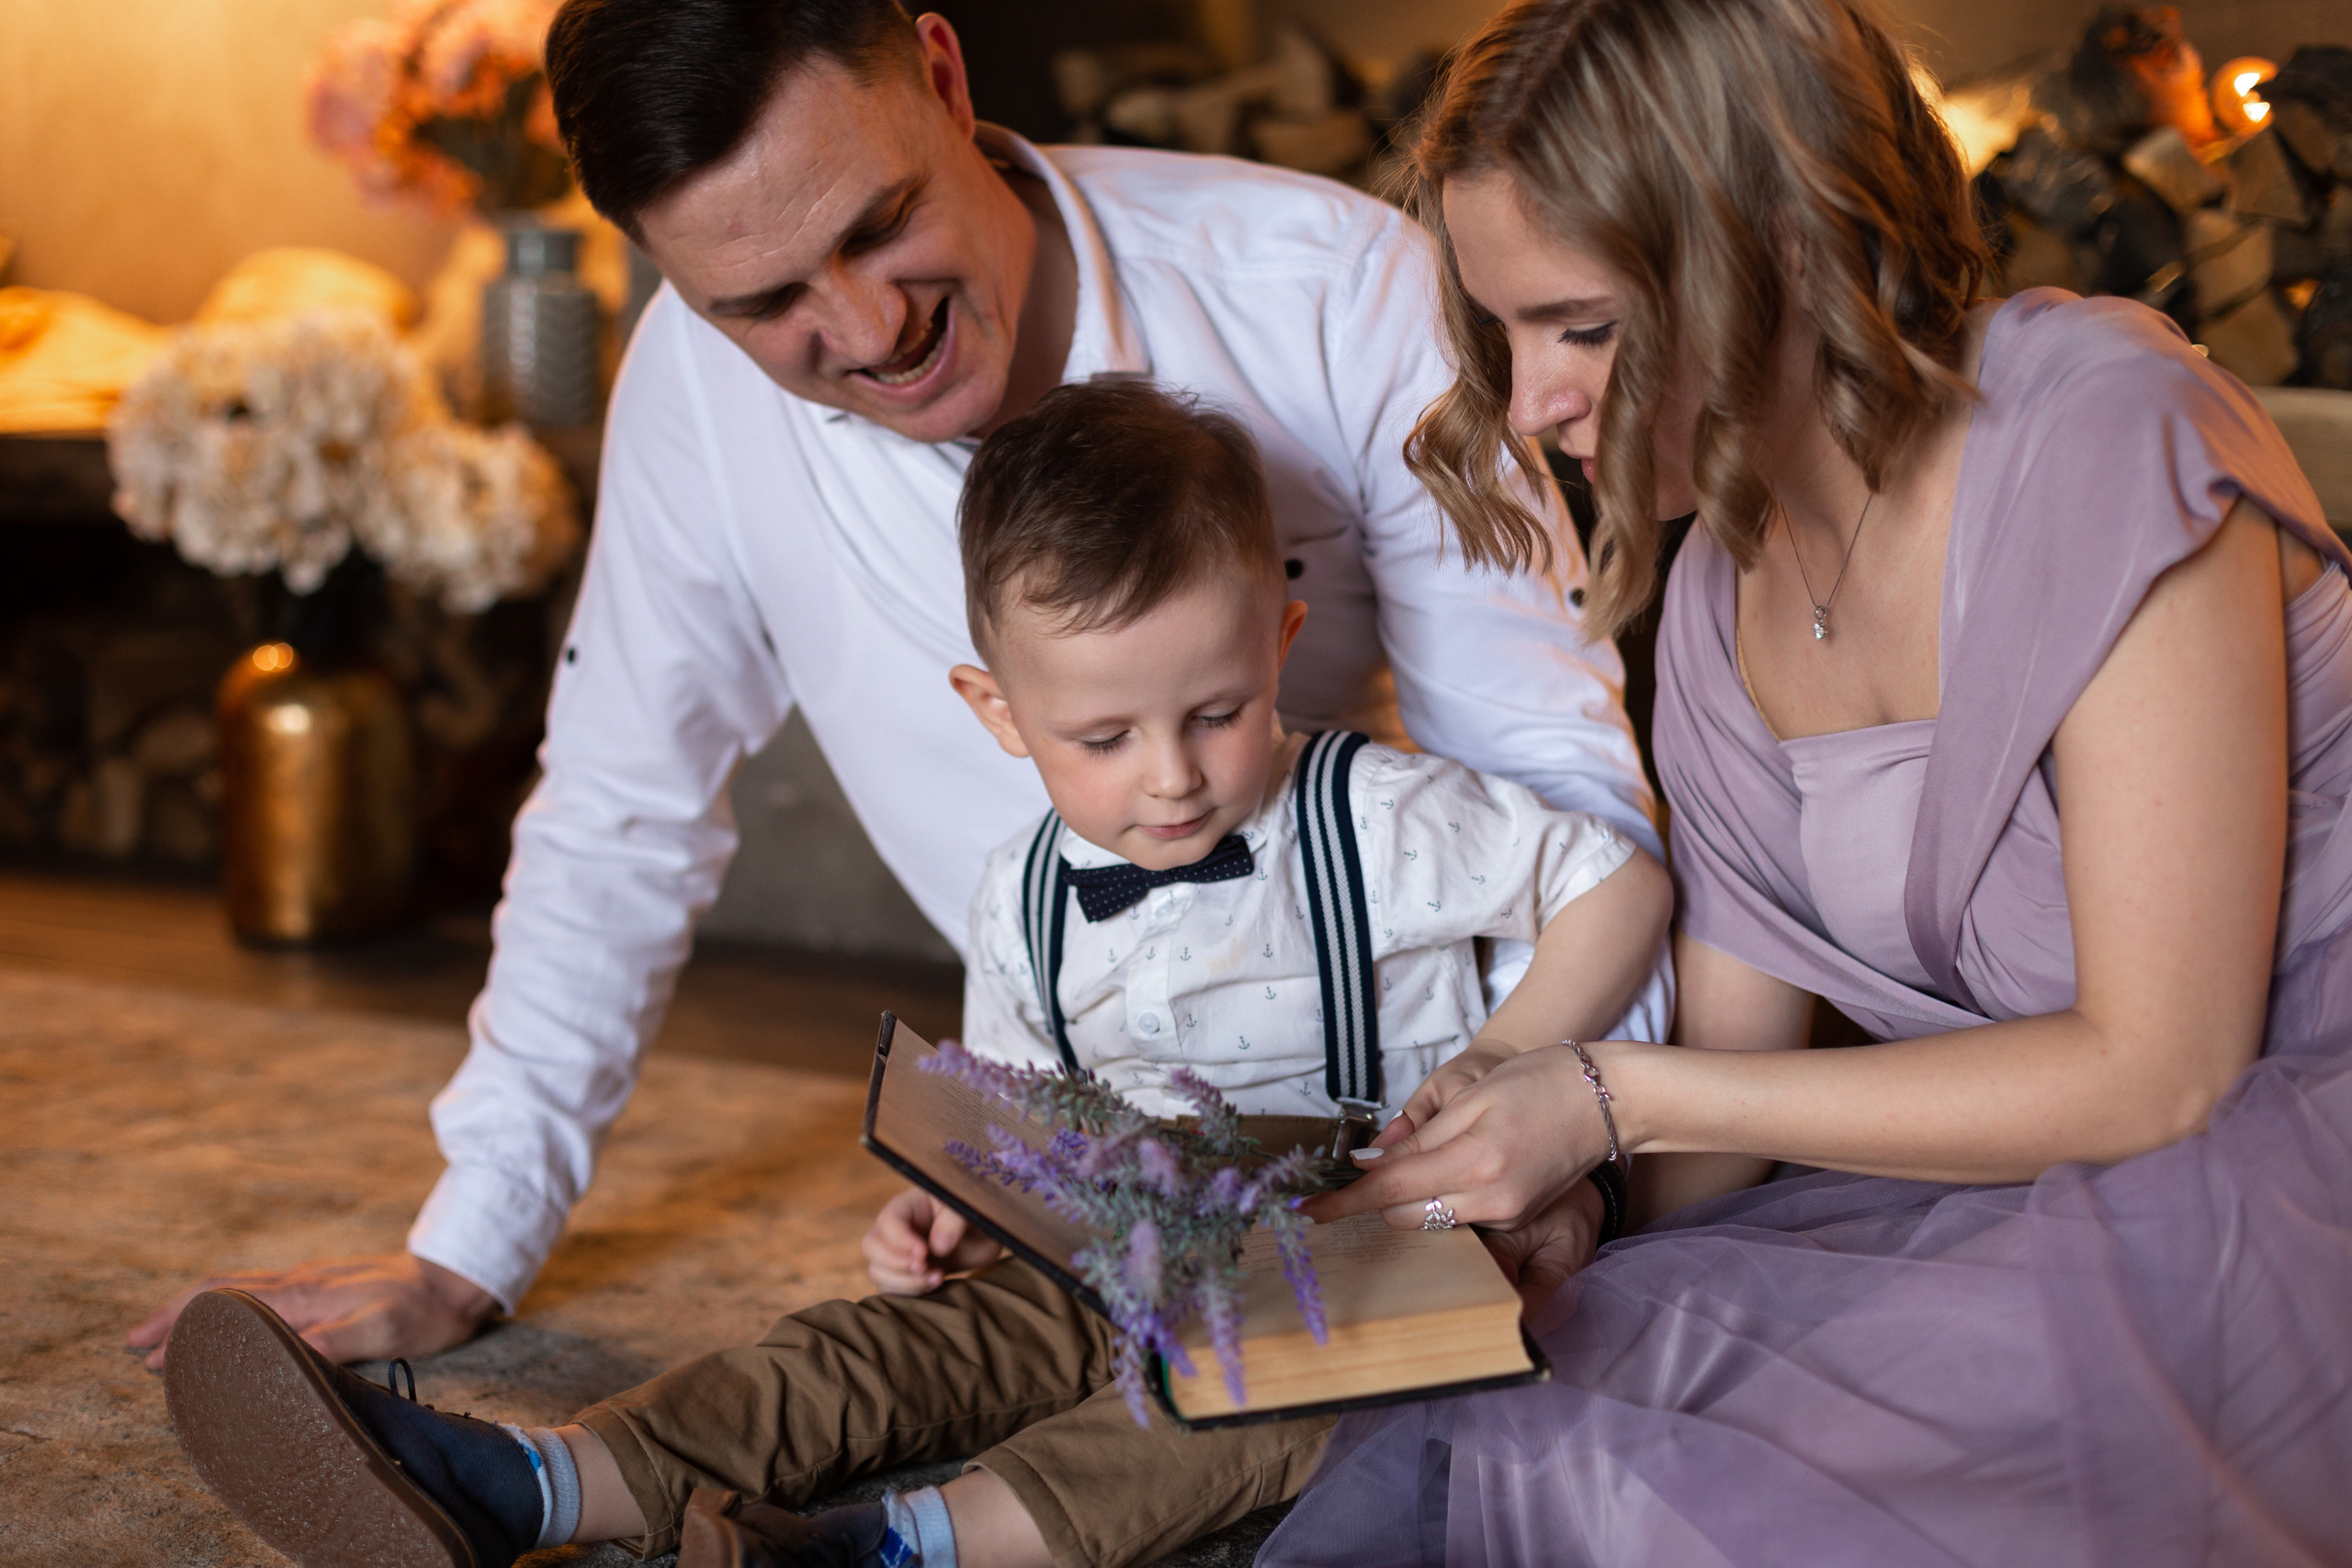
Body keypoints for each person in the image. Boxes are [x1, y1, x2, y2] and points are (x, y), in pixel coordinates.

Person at [128, 0, 1668, 1371]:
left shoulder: (1329, 290)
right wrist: (467, 1246)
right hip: (1090, 1139)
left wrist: (1567, 1162)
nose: (869, 332)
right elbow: (620, 808)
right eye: (765, 301)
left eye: (880, 225)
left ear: (938, 68)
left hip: (1414, 1080)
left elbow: (1555, 780)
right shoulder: (689, 389)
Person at [162, 378, 1673, 1568]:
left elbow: (1617, 882)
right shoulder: (1020, 898)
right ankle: (532, 1483)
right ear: (998, 711)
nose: (1171, 779)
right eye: (1103, 737)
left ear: (1283, 637)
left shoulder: (1379, 815)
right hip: (1122, 1239)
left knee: (1233, 1410)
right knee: (879, 1351)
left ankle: (893, 1544)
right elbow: (1025, 1106)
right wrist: (968, 1198)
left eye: (1217, 711)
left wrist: (1509, 1064)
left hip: (1366, 1250)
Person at [1260, 0, 2352, 1563]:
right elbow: (1725, 1136)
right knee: (1579, 1382)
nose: (1529, 404)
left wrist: (1604, 1097)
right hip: (2085, 1191)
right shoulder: (1721, 603)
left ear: (1772, 246)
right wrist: (1575, 1207)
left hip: (2289, 1151)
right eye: (1501, 332)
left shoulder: (2101, 428)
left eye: (1581, 325)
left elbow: (2159, 1074)